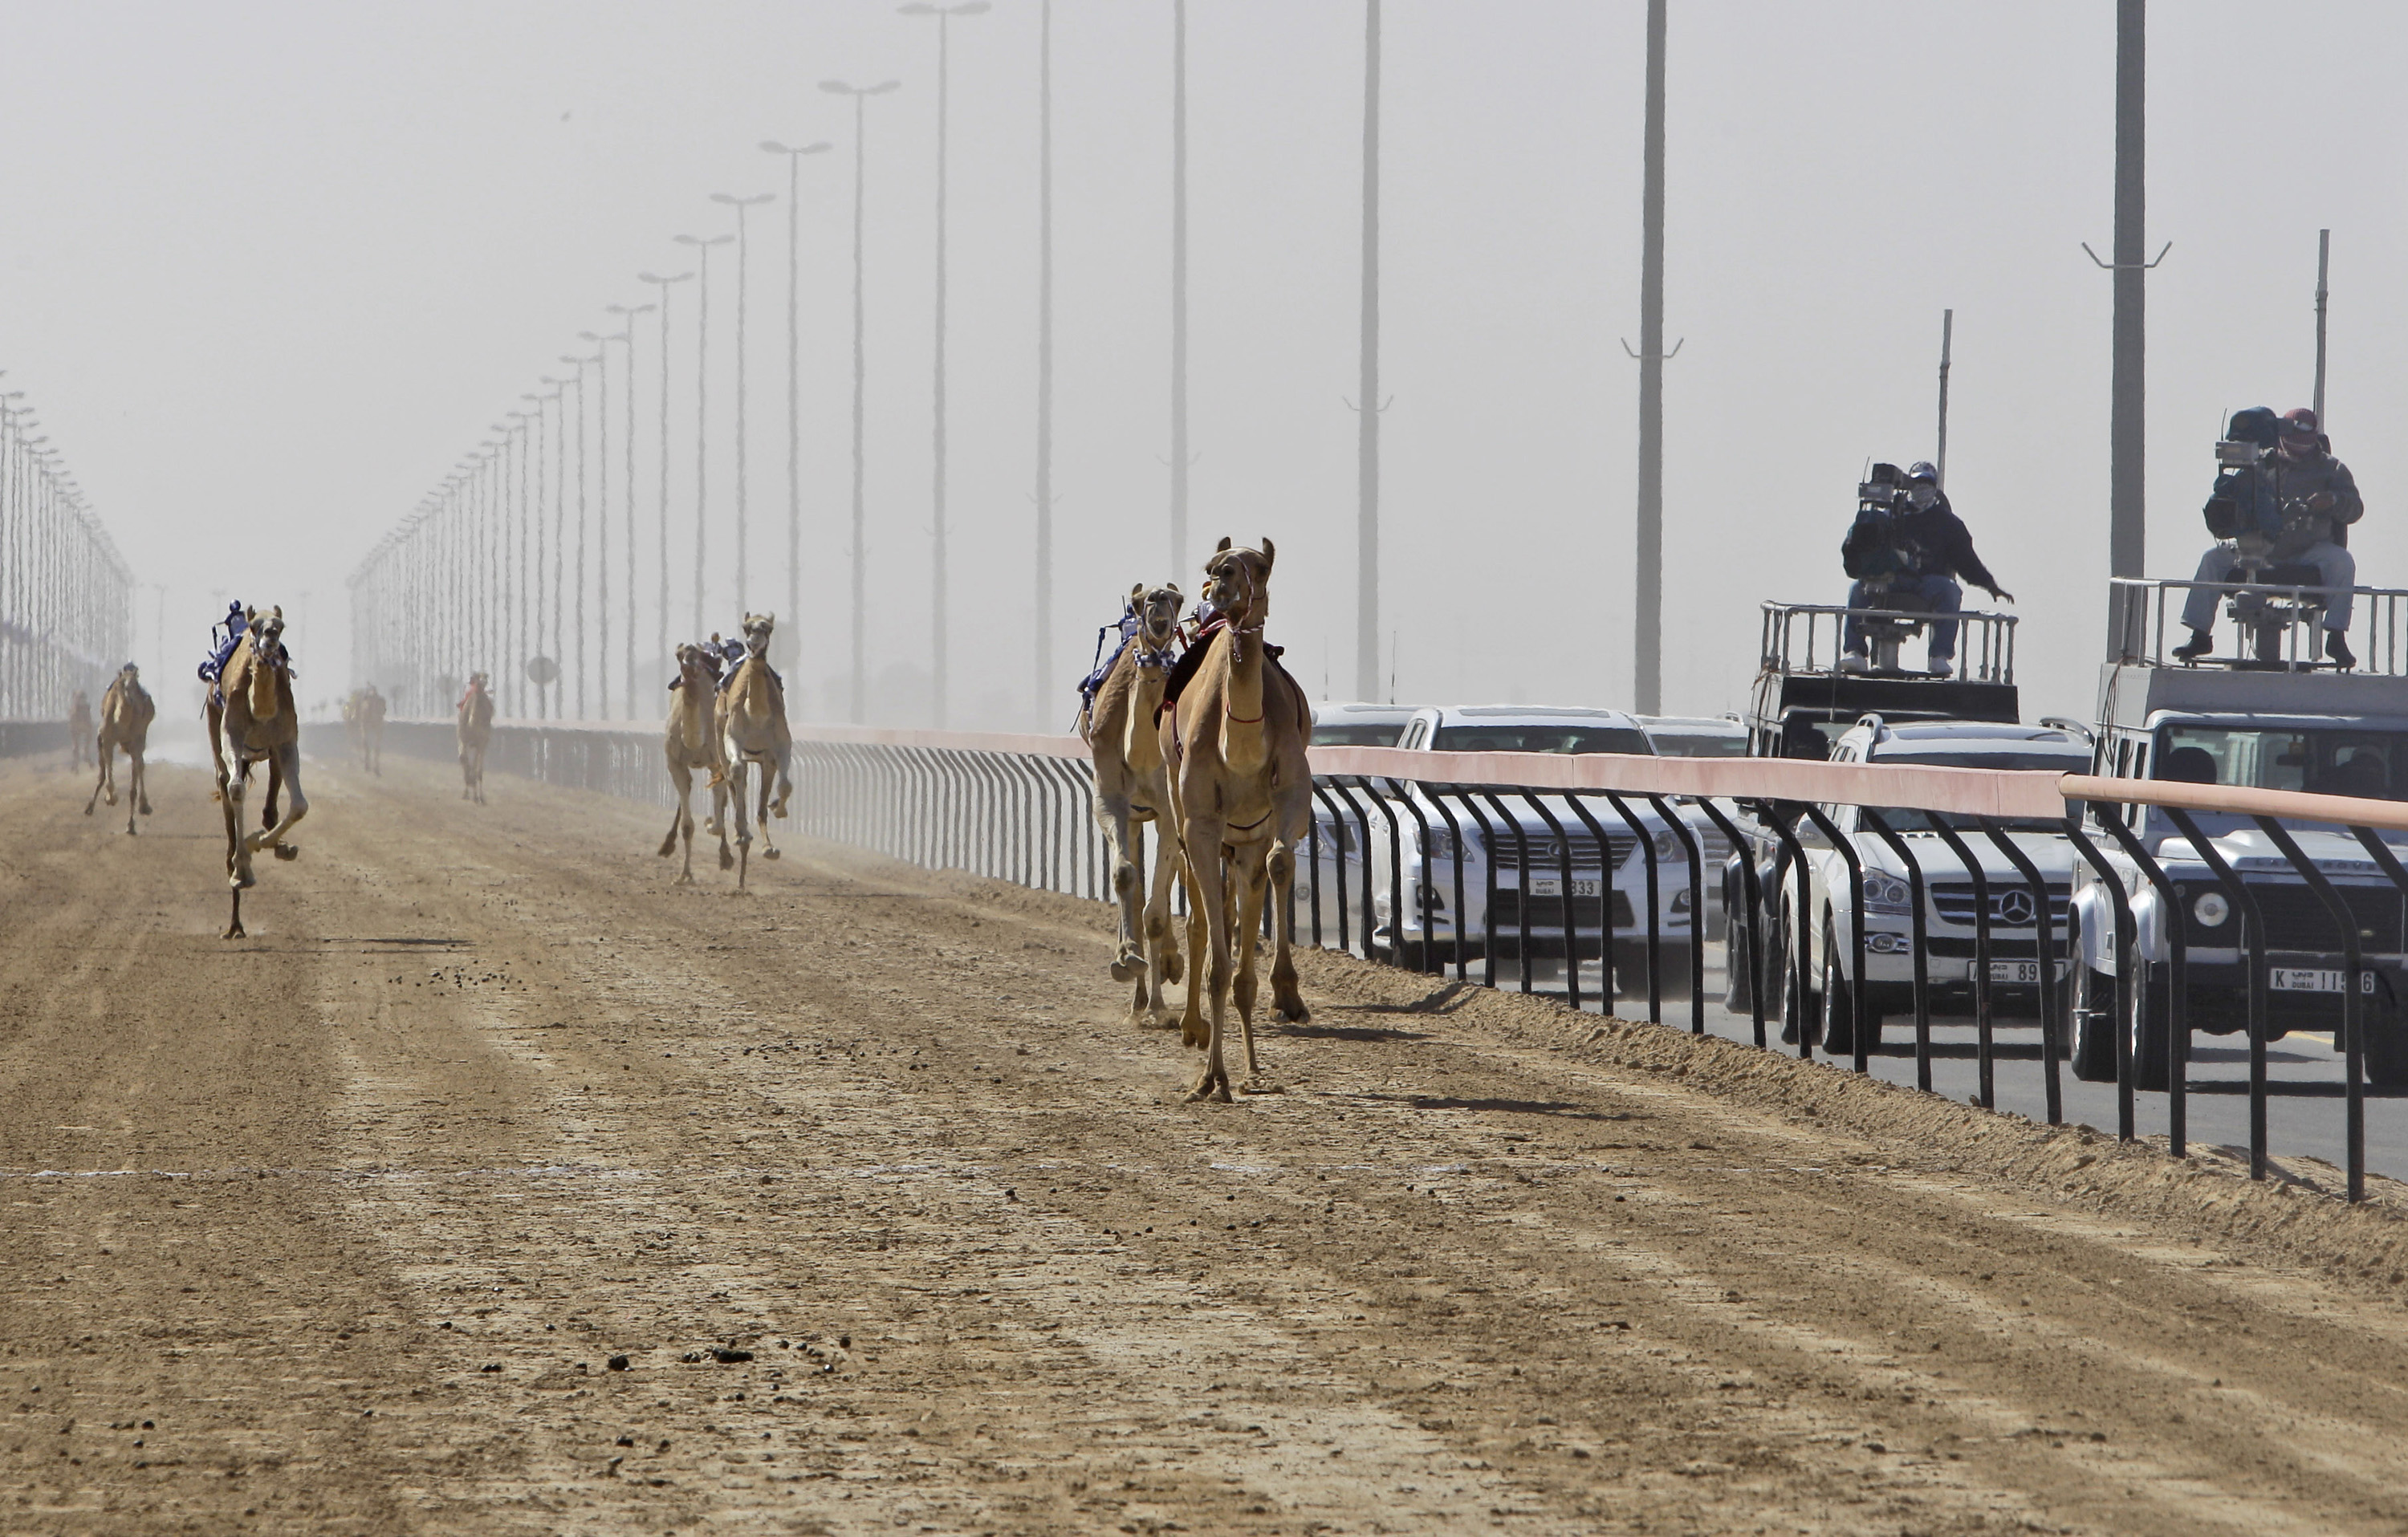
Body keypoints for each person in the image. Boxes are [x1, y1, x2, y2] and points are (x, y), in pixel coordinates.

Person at [2173, 406, 2362, 667]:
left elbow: (2355, 508)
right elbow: (2235, 499)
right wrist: (2225, 504)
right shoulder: (2260, 464)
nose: (2298, 448)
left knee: (2342, 561)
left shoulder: (2332, 469)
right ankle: (2200, 633)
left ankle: (2336, 636)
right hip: (2259, 549)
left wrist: (2334, 500)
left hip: (2306, 551)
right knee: (2213, 560)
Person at [1839, 462, 2015, 677]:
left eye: (1927, 483)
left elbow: (1967, 561)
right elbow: (1858, 548)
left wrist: (1990, 585)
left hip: (1926, 582)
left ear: (1935, 487)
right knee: (1857, 589)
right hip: (1891, 579)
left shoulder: (1948, 524)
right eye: (1917, 482)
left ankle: (1939, 656)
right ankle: (1855, 652)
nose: (1922, 487)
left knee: (1949, 590)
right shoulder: (1889, 515)